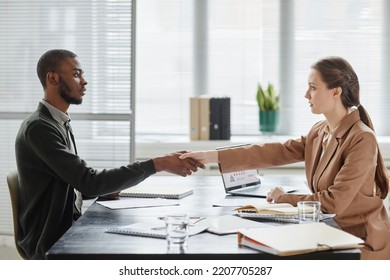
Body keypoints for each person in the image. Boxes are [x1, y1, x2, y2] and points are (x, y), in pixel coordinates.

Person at [180, 56, 390, 260]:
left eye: (313, 87)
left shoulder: (361, 138)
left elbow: (333, 202)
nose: (306, 94)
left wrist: (283, 198)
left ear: (336, 92)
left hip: (359, 242)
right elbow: (274, 151)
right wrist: (211, 156)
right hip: (331, 234)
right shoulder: (320, 131)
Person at [15, 49, 204, 260]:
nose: (84, 81)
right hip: (50, 241)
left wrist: (105, 187)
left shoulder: (58, 121)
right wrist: (157, 164)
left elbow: (75, 183)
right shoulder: (40, 127)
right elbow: (89, 182)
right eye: (77, 74)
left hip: (67, 229)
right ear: (53, 78)